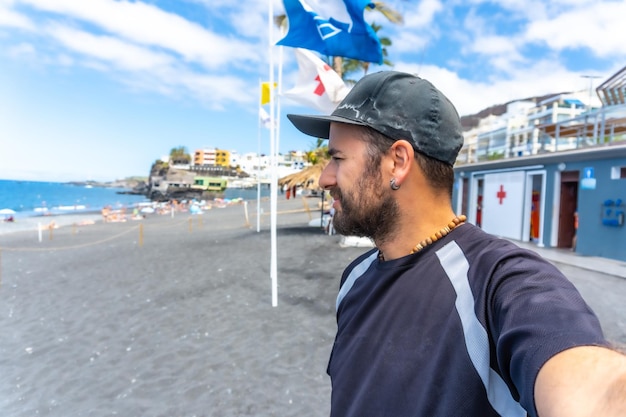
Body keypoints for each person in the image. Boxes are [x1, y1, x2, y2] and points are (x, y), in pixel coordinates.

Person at [287, 71, 626, 417]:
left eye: (338, 158)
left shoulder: (498, 282)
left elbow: (591, 385)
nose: (325, 178)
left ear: (398, 162)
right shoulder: (355, 277)